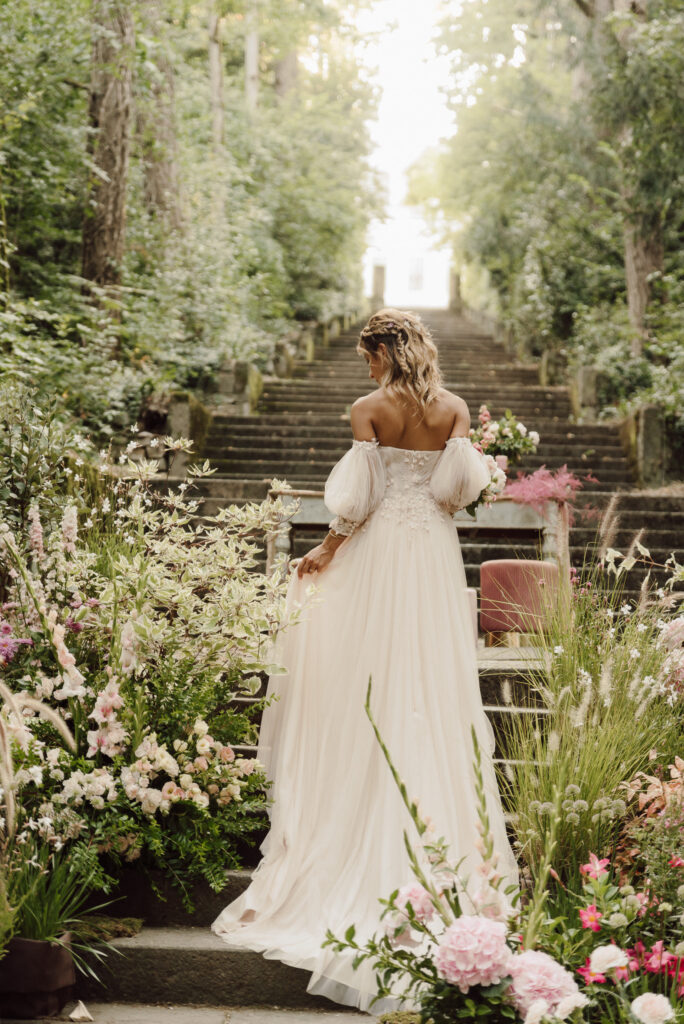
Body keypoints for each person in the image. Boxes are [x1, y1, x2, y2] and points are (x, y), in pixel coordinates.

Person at [212, 308, 519, 1011]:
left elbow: (359, 503)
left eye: (368, 354)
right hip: (435, 559)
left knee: (364, 675)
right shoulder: (455, 409)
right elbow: (457, 493)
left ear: (385, 348)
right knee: (429, 680)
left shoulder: (368, 409)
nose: (365, 367)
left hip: (380, 553)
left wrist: (323, 551)